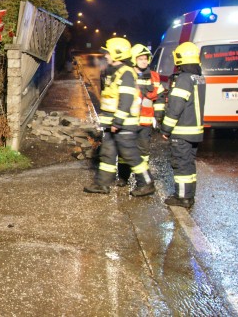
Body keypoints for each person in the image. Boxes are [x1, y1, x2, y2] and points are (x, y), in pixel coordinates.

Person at [84, 37, 155, 196]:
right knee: (107, 152)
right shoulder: (113, 71)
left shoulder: (126, 73)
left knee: (130, 154)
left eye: (108, 52)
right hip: (112, 124)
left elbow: (126, 99)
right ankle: (102, 184)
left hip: (123, 124)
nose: (106, 55)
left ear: (117, 53)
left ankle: (147, 183)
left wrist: (118, 121)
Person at [161, 42, 206, 208]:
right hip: (195, 130)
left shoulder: (184, 79)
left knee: (181, 165)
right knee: (188, 164)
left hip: (182, 131)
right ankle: (189, 195)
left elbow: (175, 107)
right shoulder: (199, 78)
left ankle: (182, 198)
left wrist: (165, 128)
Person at [117, 44, 166, 186]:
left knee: (143, 153)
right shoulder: (126, 74)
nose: (144, 61)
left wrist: (158, 116)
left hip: (145, 123)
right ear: (134, 59)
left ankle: (142, 181)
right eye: (140, 59)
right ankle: (123, 177)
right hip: (128, 121)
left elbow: (160, 96)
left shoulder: (154, 77)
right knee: (125, 152)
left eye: (146, 59)